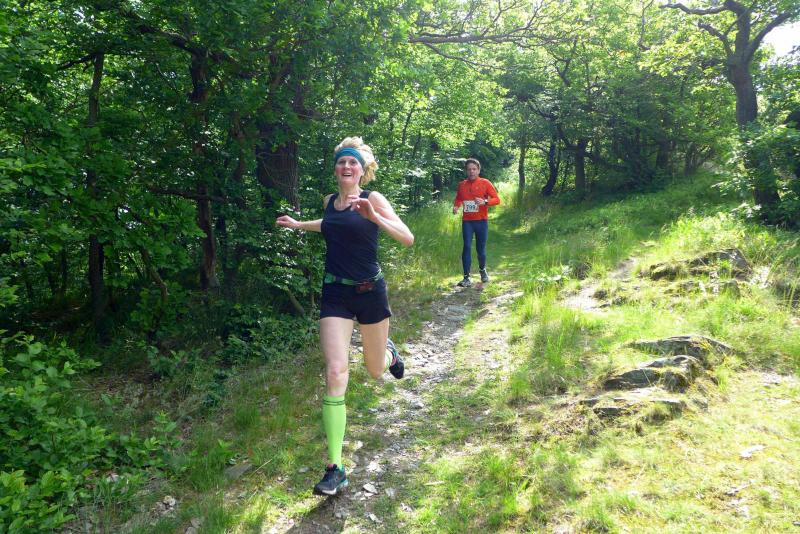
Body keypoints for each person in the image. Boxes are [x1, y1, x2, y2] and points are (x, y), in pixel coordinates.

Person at [276, 137, 414, 496]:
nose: (347, 167)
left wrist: (374, 217)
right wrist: (298, 225)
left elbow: (407, 238)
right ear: (336, 168)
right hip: (335, 293)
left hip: (370, 292)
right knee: (336, 371)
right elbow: (328, 224)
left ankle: (389, 354)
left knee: (374, 370)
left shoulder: (373, 199)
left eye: (353, 162)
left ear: (362, 170)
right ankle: (335, 467)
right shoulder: (329, 202)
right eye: (342, 162)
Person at [452, 158, 500, 287]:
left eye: (474, 169)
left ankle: (482, 270)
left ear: (478, 170)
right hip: (467, 222)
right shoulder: (462, 185)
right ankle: (466, 277)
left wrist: (485, 202)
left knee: (480, 249)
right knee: (467, 246)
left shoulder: (485, 183)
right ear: (466, 171)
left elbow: (497, 199)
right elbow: (458, 198)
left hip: (481, 221)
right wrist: (456, 206)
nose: (471, 171)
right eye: (469, 169)